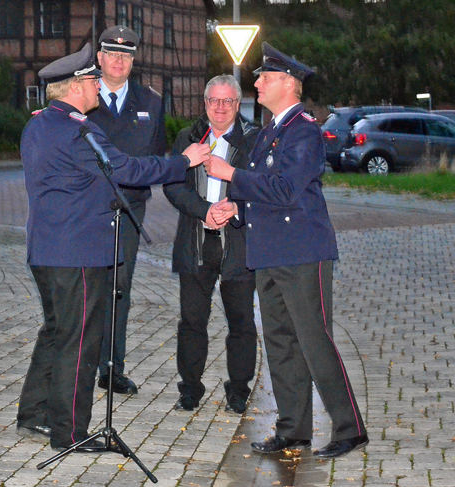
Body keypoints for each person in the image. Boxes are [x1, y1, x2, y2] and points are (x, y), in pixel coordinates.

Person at [15, 44, 207, 453]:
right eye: (92, 80)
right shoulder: (80, 129)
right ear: (78, 85)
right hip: (79, 253)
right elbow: (128, 170)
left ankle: (33, 414)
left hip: (45, 249)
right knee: (79, 339)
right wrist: (183, 162)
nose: (99, 86)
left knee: (54, 331)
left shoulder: (39, 125)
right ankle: (70, 433)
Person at [204, 42, 368, 459]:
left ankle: (349, 429)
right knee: (279, 342)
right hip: (269, 252)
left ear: (289, 84)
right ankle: (293, 429)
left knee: (314, 339)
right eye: (258, 76)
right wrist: (234, 207)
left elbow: (285, 189)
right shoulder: (269, 132)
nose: (256, 83)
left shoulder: (305, 132)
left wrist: (231, 175)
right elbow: (263, 195)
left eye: (266, 77)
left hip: (301, 252)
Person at [163, 75, 260, 415]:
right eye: (214, 101)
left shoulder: (254, 140)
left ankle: (239, 389)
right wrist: (203, 211)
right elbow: (173, 185)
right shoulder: (186, 138)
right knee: (191, 321)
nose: (220, 108)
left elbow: (263, 188)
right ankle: (190, 389)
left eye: (228, 101)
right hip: (196, 241)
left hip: (238, 243)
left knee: (242, 322)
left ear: (238, 104)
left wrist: (236, 208)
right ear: (204, 103)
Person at [87, 25, 167, 396]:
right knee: (86, 288)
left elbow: (155, 157)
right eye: (112, 54)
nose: (118, 61)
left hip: (129, 210)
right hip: (86, 210)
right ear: (99, 58)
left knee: (120, 289)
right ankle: (82, 363)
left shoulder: (151, 101)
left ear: (133, 61)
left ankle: (111, 367)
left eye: (126, 56)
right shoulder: (82, 96)